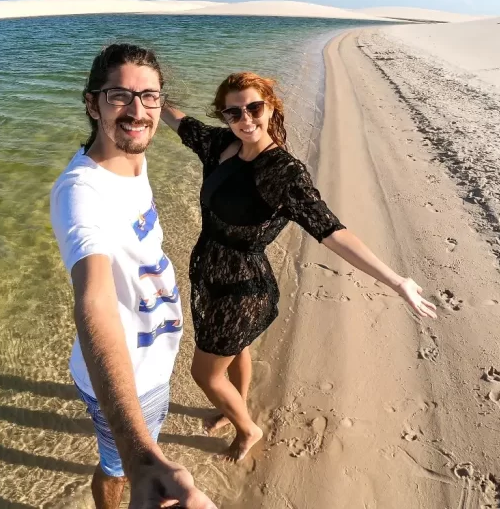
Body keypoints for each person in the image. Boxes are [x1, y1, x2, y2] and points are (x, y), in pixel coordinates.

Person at [161, 71, 438, 463]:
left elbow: (331, 230)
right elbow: (178, 121)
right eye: (234, 112)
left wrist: (396, 281)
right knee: (236, 350)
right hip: (211, 276)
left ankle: (247, 429)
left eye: (254, 107)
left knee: (205, 374)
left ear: (270, 105)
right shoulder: (220, 144)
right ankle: (234, 406)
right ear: (224, 116)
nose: (246, 119)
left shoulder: (283, 173)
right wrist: (142, 97)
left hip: (243, 289)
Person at [50, 43, 217, 509]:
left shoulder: (132, 160)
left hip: (152, 363)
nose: (137, 110)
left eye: (150, 97)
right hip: (129, 382)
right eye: (119, 95)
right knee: (117, 468)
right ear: (91, 103)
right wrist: (142, 454)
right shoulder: (81, 192)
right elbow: (94, 302)